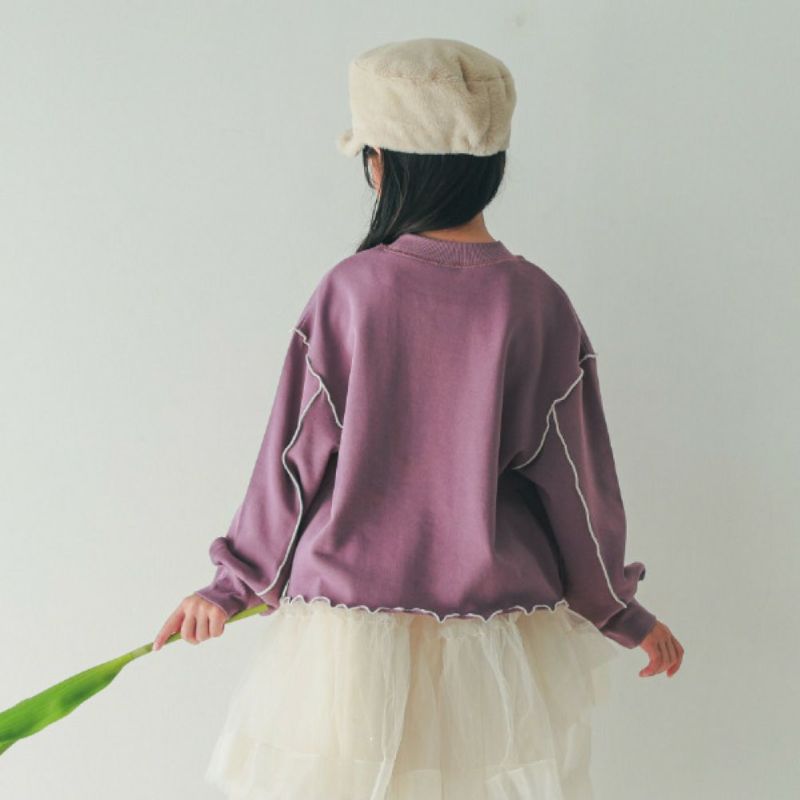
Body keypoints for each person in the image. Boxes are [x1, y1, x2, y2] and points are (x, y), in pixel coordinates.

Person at [153, 37, 683, 800]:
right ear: (492, 165)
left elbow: (291, 462)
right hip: (492, 641)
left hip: (347, 639)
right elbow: (579, 484)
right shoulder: (539, 305)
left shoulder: (350, 294)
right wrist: (617, 610)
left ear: (380, 166)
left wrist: (232, 585)